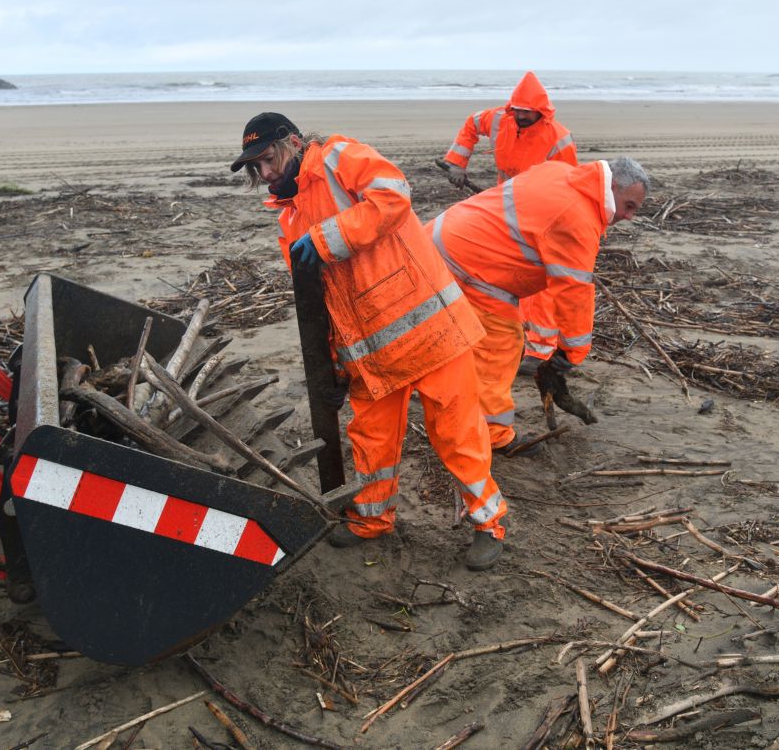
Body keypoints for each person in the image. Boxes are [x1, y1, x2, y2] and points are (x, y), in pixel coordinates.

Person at [231, 112, 509, 570]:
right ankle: (372, 520)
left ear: (294, 142)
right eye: (255, 167)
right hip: (372, 353)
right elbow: (320, 302)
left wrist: (325, 237)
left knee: (457, 433)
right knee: (372, 439)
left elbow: (394, 194)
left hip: (432, 331)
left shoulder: (340, 157)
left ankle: (489, 522)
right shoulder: (290, 219)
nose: (264, 174)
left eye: (267, 159)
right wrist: (335, 365)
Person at [429, 157, 649, 455]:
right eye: (630, 206)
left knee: (458, 341)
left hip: (439, 240)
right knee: (501, 344)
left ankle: (449, 401)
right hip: (472, 265)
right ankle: (494, 435)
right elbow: (573, 294)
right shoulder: (578, 217)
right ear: (612, 187)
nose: (629, 216)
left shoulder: (558, 172)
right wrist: (571, 354)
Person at [440, 71, 579, 366]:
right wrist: (456, 162)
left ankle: (540, 351)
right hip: (504, 204)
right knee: (498, 269)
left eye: (526, 113)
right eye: (516, 111)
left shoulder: (558, 139)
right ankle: (504, 331)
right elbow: (471, 124)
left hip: (540, 214)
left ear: (540, 112)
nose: (520, 117)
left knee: (536, 281)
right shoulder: (499, 120)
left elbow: (568, 186)